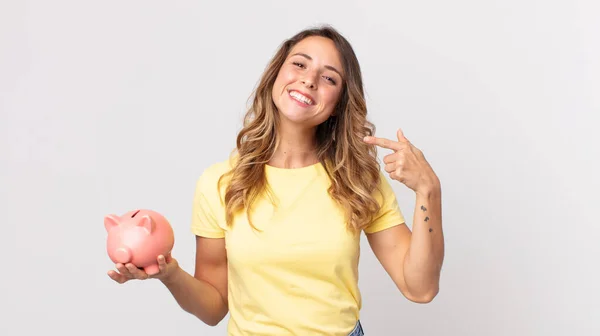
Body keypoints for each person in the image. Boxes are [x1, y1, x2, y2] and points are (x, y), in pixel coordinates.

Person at [107, 25, 444, 336]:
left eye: (329, 78)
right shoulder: (220, 183)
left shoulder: (358, 180)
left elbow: (420, 288)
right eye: (299, 64)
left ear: (339, 104)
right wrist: (170, 274)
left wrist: (428, 190)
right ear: (276, 75)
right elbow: (212, 308)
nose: (309, 80)